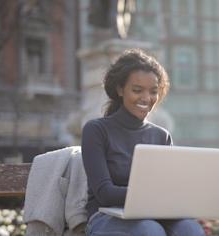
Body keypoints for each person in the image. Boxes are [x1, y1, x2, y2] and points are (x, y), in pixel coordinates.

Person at [81, 48, 205, 236]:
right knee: (150, 230)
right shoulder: (96, 130)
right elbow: (105, 193)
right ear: (120, 89)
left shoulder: (161, 136)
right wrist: (153, 196)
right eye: (137, 90)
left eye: (153, 91)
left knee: (190, 229)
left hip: (153, 215)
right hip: (106, 216)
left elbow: (168, 187)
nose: (146, 98)